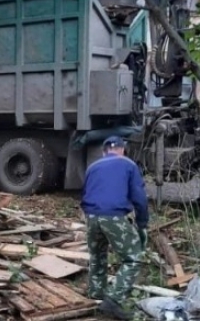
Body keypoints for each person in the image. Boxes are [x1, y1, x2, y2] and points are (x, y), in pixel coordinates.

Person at [81, 135, 149, 320]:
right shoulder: (128, 165)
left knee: (97, 254)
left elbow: (86, 192)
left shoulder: (93, 167)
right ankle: (113, 300)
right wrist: (142, 224)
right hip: (114, 215)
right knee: (133, 258)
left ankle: (96, 294)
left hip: (91, 215)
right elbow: (140, 199)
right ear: (122, 149)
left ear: (104, 151)